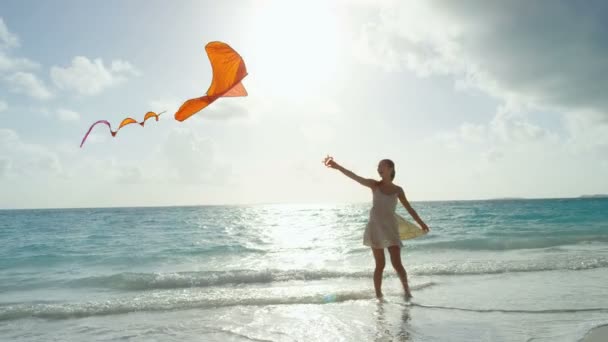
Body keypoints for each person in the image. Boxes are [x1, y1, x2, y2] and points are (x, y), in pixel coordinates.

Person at [323, 156, 430, 299]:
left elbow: (409, 209)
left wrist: (421, 223)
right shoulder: (374, 185)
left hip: (391, 227)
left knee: (397, 264)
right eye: (378, 166)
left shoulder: (398, 190)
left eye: (381, 166)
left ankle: (407, 291)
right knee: (380, 265)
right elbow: (355, 177)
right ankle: (379, 295)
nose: (378, 168)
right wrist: (337, 166)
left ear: (390, 168)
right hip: (375, 228)